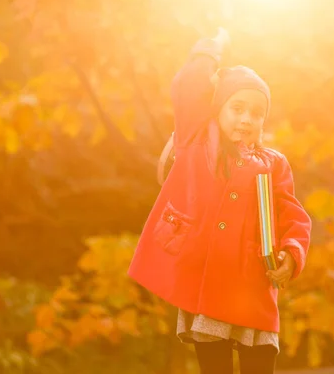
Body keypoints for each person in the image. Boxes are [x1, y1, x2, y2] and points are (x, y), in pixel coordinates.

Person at [128, 28, 312, 374]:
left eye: (256, 113)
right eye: (237, 108)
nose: (246, 119)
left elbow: (294, 216)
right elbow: (188, 87)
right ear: (218, 110)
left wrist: (292, 253)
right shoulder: (199, 143)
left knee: (260, 366)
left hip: (253, 286)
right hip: (207, 288)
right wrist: (211, 48)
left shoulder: (273, 163)